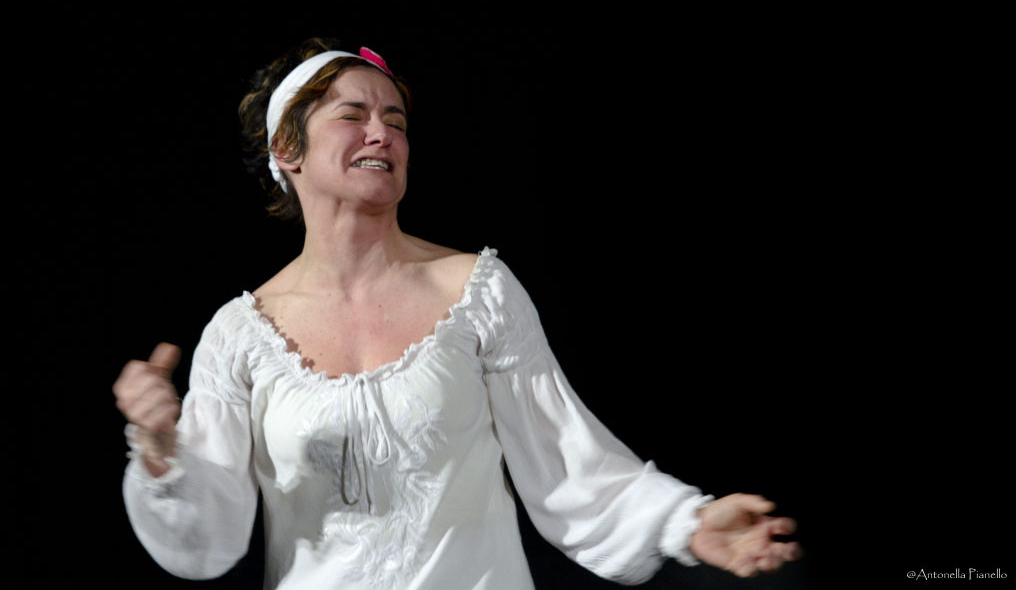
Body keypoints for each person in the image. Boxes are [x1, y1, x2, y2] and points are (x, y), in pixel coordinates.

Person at [113, 38, 802, 589]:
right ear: (286, 150)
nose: (382, 133)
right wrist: (161, 452)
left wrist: (687, 523)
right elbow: (207, 541)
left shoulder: (478, 291)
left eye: (396, 121)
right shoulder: (241, 335)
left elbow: (568, 463)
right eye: (353, 115)